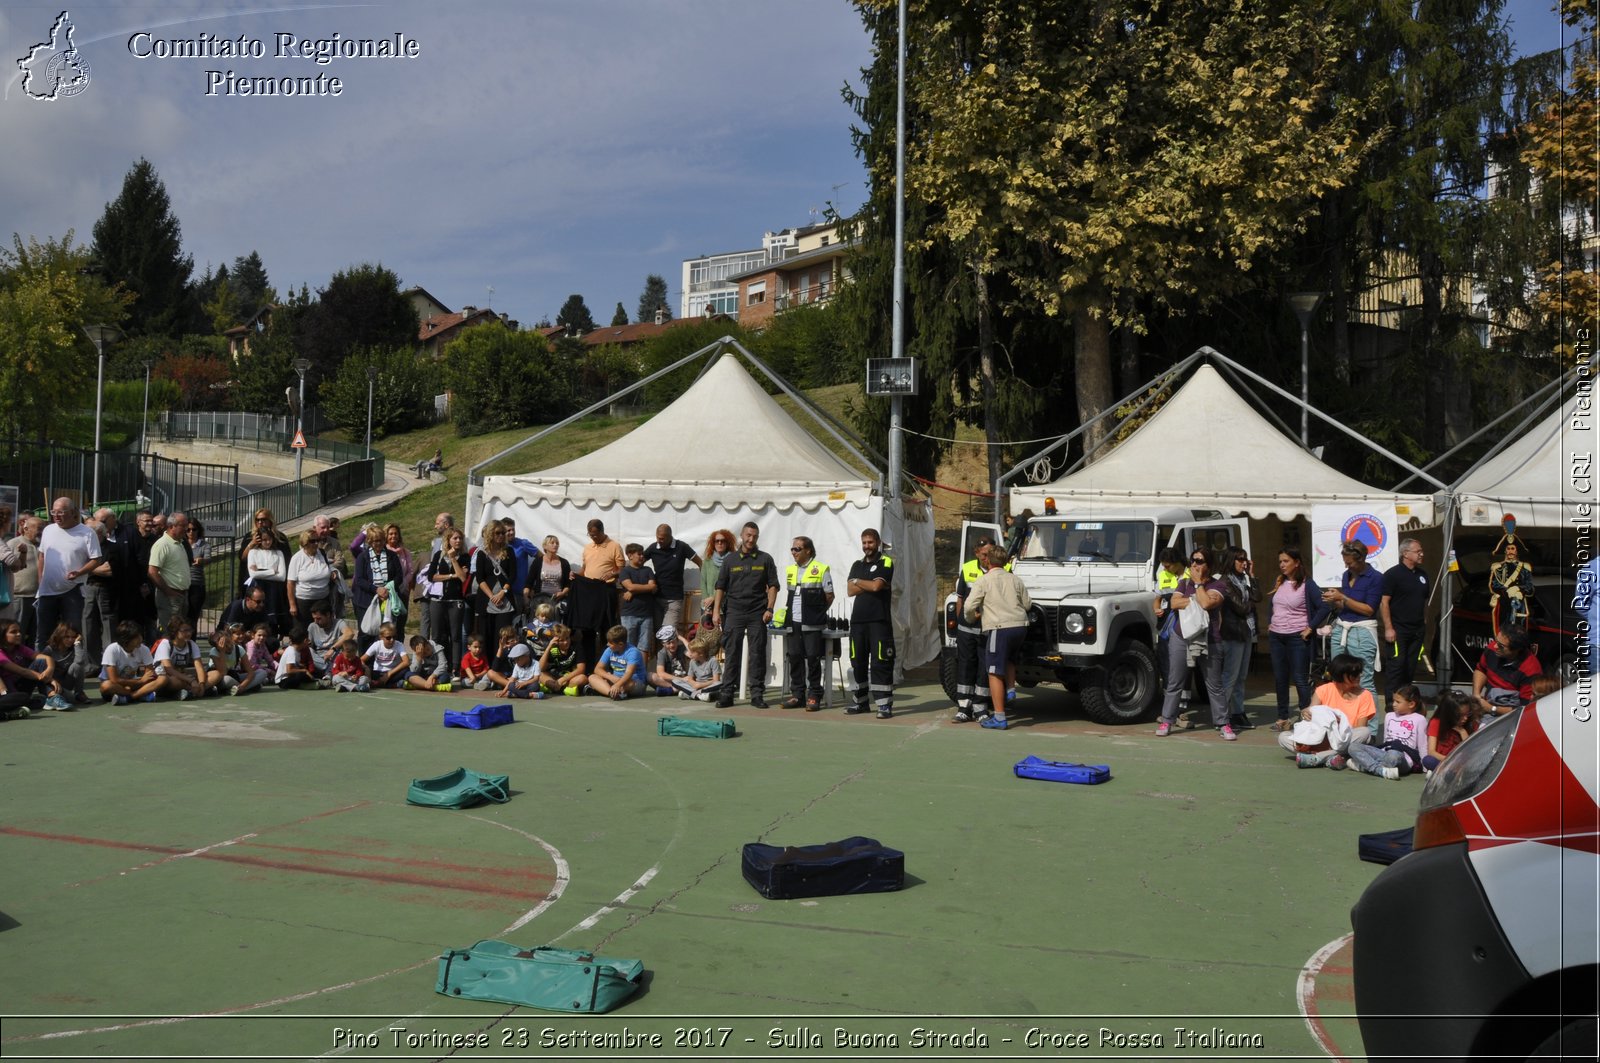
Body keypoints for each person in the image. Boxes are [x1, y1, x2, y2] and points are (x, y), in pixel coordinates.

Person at [1155, 547, 1231, 738]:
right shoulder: (1183, 582)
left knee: (1214, 684)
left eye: (1199, 560)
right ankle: (1167, 721)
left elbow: (1206, 604)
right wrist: (1197, 597)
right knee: (1174, 682)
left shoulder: (1219, 585)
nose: (1195, 564)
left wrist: (1197, 586)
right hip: (1181, 636)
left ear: (1209, 565)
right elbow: (1174, 603)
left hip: (1210, 639)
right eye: (1193, 560)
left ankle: (1223, 723)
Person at [963, 546, 1031, 730]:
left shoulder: (984, 581)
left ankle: (1000, 717)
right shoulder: (1015, 579)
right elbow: (1027, 603)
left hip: (999, 628)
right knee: (1009, 659)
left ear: (988, 561)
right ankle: (1010, 690)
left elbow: (969, 606)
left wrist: (971, 618)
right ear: (1007, 561)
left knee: (993, 670)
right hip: (1020, 627)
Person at [712, 521, 779, 708]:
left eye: (755, 536)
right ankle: (726, 694)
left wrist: (770, 608)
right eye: (748, 535)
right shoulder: (730, 560)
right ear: (742, 535)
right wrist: (716, 611)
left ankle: (757, 694)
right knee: (732, 653)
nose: (751, 539)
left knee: (757, 653)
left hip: (757, 612)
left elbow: (773, 586)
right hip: (734, 612)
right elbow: (720, 587)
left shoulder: (765, 559)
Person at [1266, 548, 1328, 731]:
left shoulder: (1307, 585)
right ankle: (1282, 718)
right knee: (1280, 678)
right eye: (1280, 562)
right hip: (1277, 637)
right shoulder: (1280, 582)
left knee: (1300, 679)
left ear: (1297, 562)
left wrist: (1310, 627)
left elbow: (1324, 607)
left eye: (1286, 561)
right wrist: (1270, 622)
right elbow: (1274, 605)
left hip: (1297, 637)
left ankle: (1305, 716)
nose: (1282, 565)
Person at [1278, 653, 1377, 766]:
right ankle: (1332, 756)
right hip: (1320, 738)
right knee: (1283, 737)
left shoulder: (1365, 695)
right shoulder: (1323, 690)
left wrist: (1339, 727)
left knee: (1365, 733)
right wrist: (1306, 713)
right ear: (1341, 675)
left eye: (1359, 673)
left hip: (1344, 739)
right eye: (1354, 674)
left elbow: (1360, 728)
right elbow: (1311, 713)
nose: (1359, 676)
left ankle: (1316, 757)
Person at [35, 498, 106, 651]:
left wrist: (80, 572)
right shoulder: (48, 530)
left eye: (61, 512)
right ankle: (41, 667)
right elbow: (41, 556)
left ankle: (71, 668)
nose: (56, 515)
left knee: (71, 633)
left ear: (73, 513)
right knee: (43, 633)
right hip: (47, 591)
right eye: (53, 512)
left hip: (73, 590)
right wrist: (40, 582)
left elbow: (96, 560)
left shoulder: (87, 533)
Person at [1324, 539, 1384, 705]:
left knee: (1363, 680)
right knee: (1338, 676)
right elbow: (1346, 605)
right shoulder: (1346, 575)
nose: (1347, 566)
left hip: (1361, 631)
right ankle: (1342, 720)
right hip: (1342, 627)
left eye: (1349, 563)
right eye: (1345, 562)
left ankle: (1369, 729)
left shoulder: (1375, 578)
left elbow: (1369, 609)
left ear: (1361, 559)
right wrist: (1333, 599)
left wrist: (1343, 597)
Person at [845, 527, 896, 719]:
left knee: (880, 662)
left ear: (878, 542)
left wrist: (859, 581)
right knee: (857, 661)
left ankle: (884, 705)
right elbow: (850, 590)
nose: (867, 546)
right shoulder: (857, 564)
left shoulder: (886, 561)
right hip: (858, 622)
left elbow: (877, 586)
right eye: (864, 542)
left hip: (879, 622)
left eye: (870, 542)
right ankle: (860, 702)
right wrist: (865, 583)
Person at [780, 535, 835, 710]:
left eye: (797, 549)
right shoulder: (790, 570)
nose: (793, 552)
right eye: (792, 549)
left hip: (812, 623)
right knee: (795, 657)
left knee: (812, 658)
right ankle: (797, 695)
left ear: (808, 550)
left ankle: (814, 694)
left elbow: (829, 595)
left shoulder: (820, 568)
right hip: (793, 621)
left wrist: (818, 613)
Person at [1337, 684, 1427, 779]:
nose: (1394, 704)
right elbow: (1386, 741)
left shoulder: (1420, 719)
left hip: (1403, 759)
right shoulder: (1389, 716)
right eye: (1393, 701)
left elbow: (1423, 745)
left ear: (1411, 704)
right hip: (1383, 753)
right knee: (1353, 746)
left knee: (1393, 755)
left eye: (1398, 702)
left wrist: (1425, 767)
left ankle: (1365, 767)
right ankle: (1380, 770)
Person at [1378, 538, 1429, 709]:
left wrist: (1424, 620)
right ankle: (1390, 705)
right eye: (1418, 551)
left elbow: (1424, 601)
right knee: (1396, 667)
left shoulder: (1423, 575)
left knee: (1410, 666)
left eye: (1421, 551)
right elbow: (1384, 602)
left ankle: (1405, 703)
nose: (1421, 554)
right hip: (1398, 630)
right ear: (1405, 554)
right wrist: (1389, 628)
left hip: (1417, 630)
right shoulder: (1393, 575)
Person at [1217, 545, 1261, 731]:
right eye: (1240, 559)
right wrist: (1248, 602)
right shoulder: (1225, 581)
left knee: (1241, 677)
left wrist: (1252, 575)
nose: (1244, 563)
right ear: (1231, 560)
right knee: (1230, 676)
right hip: (1233, 634)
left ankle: (1238, 712)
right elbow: (1241, 607)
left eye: (1245, 559)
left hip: (1246, 633)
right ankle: (1222, 715)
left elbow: (1257, 597)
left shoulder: (1245, 579)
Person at [951, 536, 996, 717]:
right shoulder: (968, 568)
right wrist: (962, 622)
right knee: (965, 666)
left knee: (984, 668)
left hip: (988, 629)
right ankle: (963, 707)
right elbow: (960, 599)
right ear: (977, 553)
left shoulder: (1002, 569)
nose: (988, 558)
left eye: (991, 554)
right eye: (985, 554)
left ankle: (980, 707)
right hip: (967, 629)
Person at [571, 518, 625, 665]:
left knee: (606, 628)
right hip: (588, 591)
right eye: (590, 535)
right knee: (587, 628)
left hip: (606, 589)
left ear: (602, 531)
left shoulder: (614, 546)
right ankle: (588, 664)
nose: (593, 537)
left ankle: (606, 664)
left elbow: (622, 568)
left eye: (595, 534)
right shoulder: (588, 548)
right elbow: (585, 569)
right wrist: (576, 575)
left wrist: (613, 574)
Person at [424, 528, 472, 676]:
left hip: (455, 600)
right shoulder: (438, 555)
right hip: (438, 600)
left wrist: (453, 560)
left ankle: (455, 668)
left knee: (455, 635)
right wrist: (452, 576)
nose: (458, 541)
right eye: (455, 538)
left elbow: (463, 577)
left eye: (460, 538)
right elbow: (431, 576)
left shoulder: (464, 557)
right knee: (438, 635)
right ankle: (438, 664)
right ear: (448, 540)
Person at [643, 524, 702, 634]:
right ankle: (660, 652)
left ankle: (672, 650)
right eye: (657, 538)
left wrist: (706, 583)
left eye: (662, 538)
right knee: (657, 633)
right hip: (656, 597)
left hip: (674, 598)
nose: (658, 541)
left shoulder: (682, 547)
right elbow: (638, 564)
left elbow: (700, 563)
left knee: (668, 633)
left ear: (670, 536)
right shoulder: (653, 548)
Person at [1472, 623, 1541, 717]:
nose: (1495, 646)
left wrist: (1492, 709)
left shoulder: (1531, 670)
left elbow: (1525, 709)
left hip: (1509, 716)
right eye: (1496, 641)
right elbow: (1481, 670)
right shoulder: (1492, 649)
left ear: (1516, 649)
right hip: (1487, 703)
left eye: (1501, 646)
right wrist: (1476, 694)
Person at [0, 618, 71, 709]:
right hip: (8, 689)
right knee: (20, 698)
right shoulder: (0, 653)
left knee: (41, 662)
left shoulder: (20, 648)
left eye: (19, 631)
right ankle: (34, 700)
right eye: (13, 632)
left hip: (21, 684)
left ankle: (52, 697)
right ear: (2, 635)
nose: (19, 634)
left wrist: (50, 669)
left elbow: (46, 658)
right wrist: (50, 680)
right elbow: (22, 671)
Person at [352, 522, 404, 644]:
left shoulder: (392, 556)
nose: (379, 543)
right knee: (366, 633)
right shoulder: (363, 557)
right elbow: (359, 579)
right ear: (370, 542)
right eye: (375, 541)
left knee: (384, 632)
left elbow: (399, 576)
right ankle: (365, 661)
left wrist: (387, 588)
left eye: (381, 540)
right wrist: (376, 589)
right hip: (366, 601)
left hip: (387, 598)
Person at [472, 520, 517, 649]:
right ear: (491, 534)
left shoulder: (509, 551)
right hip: (486, 600)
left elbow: (513, 575)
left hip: (505, 599)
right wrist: (492, 596)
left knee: (503, 635)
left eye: (503, 533)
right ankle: (488, 665)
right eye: (498, 533)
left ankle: (500, 664)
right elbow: (480, 578)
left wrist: (503, 592)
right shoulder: (482, 553)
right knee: (486, 635)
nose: (501, 535)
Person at [146, 511, 192, 633]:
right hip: (170, 596)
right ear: (172, 526)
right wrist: (168, 591)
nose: (187, 529)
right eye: (183, 525)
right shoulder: (162, 544)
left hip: (181, 595)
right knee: (170, 632)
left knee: (179, 632)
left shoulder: (180, 543)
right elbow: (152, 571)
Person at [99, 620, 161, 704]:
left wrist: (143, 681)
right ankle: (139, 695)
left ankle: (127, 698)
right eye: (137, 637)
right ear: (126, 640)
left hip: (132, 685)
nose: (141, 639)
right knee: (106, 685)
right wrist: (141, 681)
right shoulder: (112, 649)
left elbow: (150, 674)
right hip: (115, 687)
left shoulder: (144, 649)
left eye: (140, 635)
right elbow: (114, 680)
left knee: (162, 679)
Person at [245, 525, 289, 634]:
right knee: (257, 615)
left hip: (273, 590)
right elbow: (253, 574)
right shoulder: (253, 552)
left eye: (269, 539)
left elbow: (282, 576)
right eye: (264, 540)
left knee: (272, 620)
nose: (267, 542)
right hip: (258, 587)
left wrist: (260, 571)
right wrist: (272, 571)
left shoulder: (278, 553)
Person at [286, 529, 335, 627]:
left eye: (317, 540)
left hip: (323, 599)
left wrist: (332, 573)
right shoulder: (297, 558)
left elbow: (327, 568)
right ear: (305, 543)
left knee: (323, 627)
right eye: (312, 541)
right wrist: (292, 605)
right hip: (304, 602)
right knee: (303, 629)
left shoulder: (322, 553)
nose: (316, 543)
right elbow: (290, 583)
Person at [7, 515, 42, 646]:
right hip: (20, 597)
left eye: (44, 528)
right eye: (39, 528)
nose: (41, 532)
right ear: (26, 528)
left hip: (39, 598)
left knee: (36, 634)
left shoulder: (42, 546)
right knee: (17, 633)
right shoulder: (14, 544)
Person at [152, 616, 206, 700]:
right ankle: (189, 690)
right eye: (185, 631)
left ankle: (189, 692)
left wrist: (202, 684)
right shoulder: (165, 644)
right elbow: (169, 669)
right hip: (165, 678)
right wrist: (190, 681)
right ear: (175, 632)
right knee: (176, 682)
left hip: (183, 677)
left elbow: (199, 667)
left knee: (214, 675)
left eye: (190, 630)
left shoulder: (191, 644)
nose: (189, 634)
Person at [588, 623, 647, 699]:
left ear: (620, 644)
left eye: (610, 643)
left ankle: (607, 690)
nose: (607, 644)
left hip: (633, 682)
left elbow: (628, 674)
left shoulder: (633, 652)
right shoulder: (609, 650)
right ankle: (611, 693)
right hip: (615, 680)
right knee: (592, 677)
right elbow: (597, 669)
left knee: (630, 683)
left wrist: (617, 684)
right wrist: (609, 676)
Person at [1487, 538, 1533, 634]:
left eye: (1513, 548)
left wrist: (1518, 589)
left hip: (1519, 605)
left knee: (1519, 632)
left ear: (1517, 551)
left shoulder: (1525, 567)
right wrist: (1507, 591)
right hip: (1504, 604)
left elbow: (1530, 588)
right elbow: (1493, 585)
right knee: (1503, 632)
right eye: (1508, 548)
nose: (1510, 551)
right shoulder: (1499, 567)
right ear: (1505, 550)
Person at [618, 543, 657, 652]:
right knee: (629, 646)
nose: (642, 557)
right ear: (630, 556)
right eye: (639, 554)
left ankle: (642, 670)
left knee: (644, 647)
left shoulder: (648, 570)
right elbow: (629, 586)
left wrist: (634, 592)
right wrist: (645, 588)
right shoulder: (625, 571)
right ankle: (629, 669)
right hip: (629, 614)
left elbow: (653, 586)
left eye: (642, 554)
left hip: (646, 614)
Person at [1423, 691, 1475, 772]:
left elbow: (1470, 751)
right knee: (1428, 760)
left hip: (1461, 763)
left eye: (1467, 714)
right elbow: (1431, 752)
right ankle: (1446, 773)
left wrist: (1462, 732)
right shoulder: (1436, 722)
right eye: (1460, 715)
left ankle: (1442, 773)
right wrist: (1450, 761)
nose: (1465, 718)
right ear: (1449, 714)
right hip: (1443, 760)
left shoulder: (1468, 724)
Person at [40, 622, 88, 705]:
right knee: (70, 699)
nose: (70, 640)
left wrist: (77, 643)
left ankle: (79, 693)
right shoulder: (49, 650)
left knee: (77, 666)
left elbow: (80, 661)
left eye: (73, 637)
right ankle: (51, 698)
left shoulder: (75, 647)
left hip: (66, 683)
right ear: (59, 636)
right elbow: (40, 669)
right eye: (67, 637)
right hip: (52, 684)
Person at [536, 624, 587, 696]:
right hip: (554, 678)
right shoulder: (553, 648)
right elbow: (540, 668)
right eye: (561, 640)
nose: (566, 642)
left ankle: (554, 688)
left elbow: (581, 669)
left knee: (582, 678)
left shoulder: (577, 646)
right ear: (555, 640)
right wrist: (548, 647)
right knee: (540, 675)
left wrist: (562, 680)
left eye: (567, 638)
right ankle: (564, 689)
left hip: (569, 678)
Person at [529, 535, 572, 618]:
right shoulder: (538, 562)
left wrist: (563, 593)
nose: (555, 545)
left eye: (557, 543)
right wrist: (526, 597)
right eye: (552, 543)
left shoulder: (564, 563)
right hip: (540, 599)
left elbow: (568, 584)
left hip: (557, 600)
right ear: (545, 546)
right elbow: (529, 581)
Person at [700, 528, 735, 627]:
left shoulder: (733, 561)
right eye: (717, 541)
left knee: (726, 638)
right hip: (708, 607)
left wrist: (714, 598)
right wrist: (707, 604)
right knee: (709, 638)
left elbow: (731, 585)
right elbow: (703, 583)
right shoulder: (707, 561)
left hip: (726, 607)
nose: (720, 543)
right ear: (713, 543)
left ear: (727, 543)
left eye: (723, 541)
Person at [673, 633, 723, 701]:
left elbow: (716, 680)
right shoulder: (692, 661)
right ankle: (700, 695)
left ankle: (691, 694)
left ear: (701, 654)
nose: (690, 654)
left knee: (719, 684)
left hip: (708, 686)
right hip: (696, 686)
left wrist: (700, 685)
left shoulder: (713, 660)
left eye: (692, 652)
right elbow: (690, 679)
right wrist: (695, 684)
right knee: (675, 681)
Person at [362, 622, 411, 688]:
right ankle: (393, 684)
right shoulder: (377, 645)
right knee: (364, 668)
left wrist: (389, 673)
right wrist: (366, 669)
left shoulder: (399, 645)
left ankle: (379, 684)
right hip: (378, 673)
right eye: (388, 638)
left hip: (392, 673)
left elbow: (407, 662)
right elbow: (361, 660)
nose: (392, 640)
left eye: (394, 637)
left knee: (406, 669)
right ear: (381, 637)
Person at [649, 624, 690, 694]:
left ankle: (672, 690)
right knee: (650, 676)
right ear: (663, 644)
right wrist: (681, 679)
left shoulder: (681, 648)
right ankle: (677, 689)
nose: (671, 645)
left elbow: (692, 654)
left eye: (673, 642)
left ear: (677, 641)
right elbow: (661, 673)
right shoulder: (662, 653)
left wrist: (681, 638)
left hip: (685, 679)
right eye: (668, 643)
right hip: (673, 680)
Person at [184, 517, 210, 628]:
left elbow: (208, 558)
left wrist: (201, 560)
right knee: (182, 617)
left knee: (192, 617)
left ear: (198, 530)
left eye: (193, 529)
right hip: (182, 584)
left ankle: (192, 642)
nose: (191, 532)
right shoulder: (182, 544)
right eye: (188, 530)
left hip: (196, 584)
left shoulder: (204, 545)